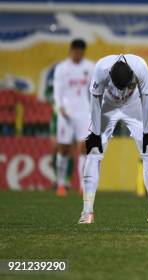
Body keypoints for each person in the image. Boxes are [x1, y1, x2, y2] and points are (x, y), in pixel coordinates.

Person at [79, 54, 148, 224]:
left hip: (134, 105)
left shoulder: (140, 66)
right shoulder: (101, 68)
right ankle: (87, 213)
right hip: (107, 106)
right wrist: (95, 133)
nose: (122, 91)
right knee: (94, 151)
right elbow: (95, 99)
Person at [52, 39, 94, 196]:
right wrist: (59, 107)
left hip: (84, 112)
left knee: (84, 148)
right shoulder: (62, 68)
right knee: (63, 149)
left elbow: (95, 89)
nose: (77, 54)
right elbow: (58, 91)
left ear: (83, 52)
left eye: (80, 51)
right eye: (75, 51)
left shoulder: (90, 67)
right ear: (70, 51)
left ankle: (83, 186)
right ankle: (61, 183)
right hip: (66, 113)